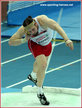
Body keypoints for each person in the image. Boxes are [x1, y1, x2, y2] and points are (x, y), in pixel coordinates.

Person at [8, 15, 74, 105]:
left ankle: (33, 75)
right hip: (35, 45)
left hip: (47, 44)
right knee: (43, 65)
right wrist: (24, 40)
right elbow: (11, 42)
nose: (32, 32)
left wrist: (67, 39)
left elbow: (56, 26)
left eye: (33, 30)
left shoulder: (42, 21)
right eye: (29, 31)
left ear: (35, 24)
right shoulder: (23, 29)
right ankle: (40, 93)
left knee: (39, 63)